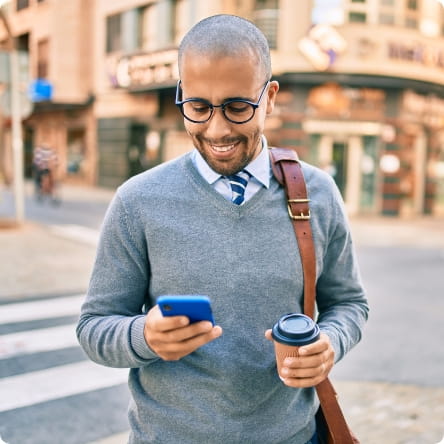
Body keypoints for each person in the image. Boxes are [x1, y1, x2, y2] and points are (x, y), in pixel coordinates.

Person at [77, 14, 368, 444]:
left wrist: (329, 344)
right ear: (181, 95)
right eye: (197, 107)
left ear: (269, 97)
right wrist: (144, 337)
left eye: (237, 107)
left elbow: (349, 304)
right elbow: (94, 327)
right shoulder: (137, 201)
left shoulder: (318, 193)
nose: (217, 129)